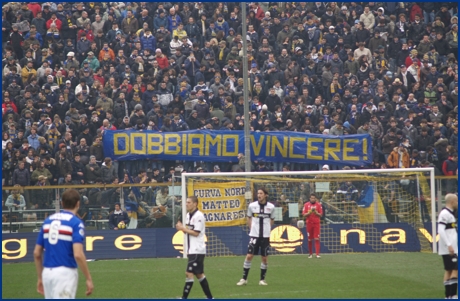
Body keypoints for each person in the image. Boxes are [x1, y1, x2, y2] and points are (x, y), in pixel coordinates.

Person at [33, 189, 94, 299]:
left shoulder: (48, 221)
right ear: (78, 204)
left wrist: (40, 277)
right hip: (65, 273)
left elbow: (37, 253)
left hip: (47, 273)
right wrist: (88, 278)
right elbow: (78, 254)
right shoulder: (75, 223)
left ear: (62, 203)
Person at [175, 196, 213, 299]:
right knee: (199, 274)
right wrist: (181, 228)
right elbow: (188, 231)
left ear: (195, 204)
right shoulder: (188, 215)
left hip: (197, 250)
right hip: (191, 250)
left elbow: (196, 233)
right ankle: (210, 297)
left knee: (188, 273)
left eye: (189, 202)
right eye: (186, 202)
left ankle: (184, 297)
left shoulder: (199, 216)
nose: (186, 204)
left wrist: (183, 228)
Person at [237, 187, 275, 286]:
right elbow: (248, 218)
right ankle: (244, 279)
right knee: (249, 256)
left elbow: (272, 220)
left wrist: (267, 229)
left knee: (264, 258)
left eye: (261, 193)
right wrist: (252, 229)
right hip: (254, 235)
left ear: (265, 195)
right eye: (258, 193)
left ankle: (262, 280)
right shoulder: (252, 206)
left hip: (265, 236)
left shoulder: (271, 207)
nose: (259, 195)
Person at [438, 193, 458, 299]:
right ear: (452, 202)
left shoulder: (450, 214)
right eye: (457, 201)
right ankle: (453, 295)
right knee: (456, 269)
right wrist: (449, 245)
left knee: (449, 270)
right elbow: (440, 230)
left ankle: (448, 296)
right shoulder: (445, 214)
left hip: (450, 247)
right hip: (450, 248)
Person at [302, 193, 323, 258]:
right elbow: (303, 214)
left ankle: (317, 254)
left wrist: (316, 213)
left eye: (314, 198)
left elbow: (321, 215)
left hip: (316, 223)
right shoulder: (306, 205)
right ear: (309, 198)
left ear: (315, 199)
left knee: (316, 238)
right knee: (309, 239)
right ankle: (310, 254)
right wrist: (309, 213)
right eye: (311, 198)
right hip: (309, 224)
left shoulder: (319, 205)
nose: (313, 199)